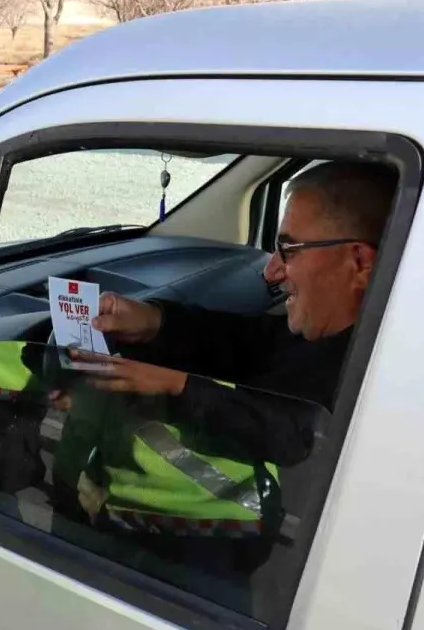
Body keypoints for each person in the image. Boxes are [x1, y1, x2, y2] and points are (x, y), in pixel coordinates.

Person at [52, 160, 398, 554]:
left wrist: (173, 388)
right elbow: (248, 342)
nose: (272, 271)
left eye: (288, 249)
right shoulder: (332, 336)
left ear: (359, 263)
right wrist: (154, 322)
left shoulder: (378, 375)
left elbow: (298, 439)